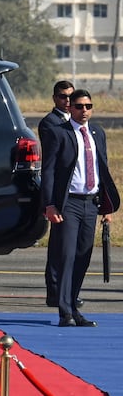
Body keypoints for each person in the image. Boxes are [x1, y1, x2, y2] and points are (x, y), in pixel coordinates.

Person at [40, 89, 119, 327]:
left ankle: (73, 306)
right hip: (69, 204)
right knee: (67, 256)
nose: (84, 110)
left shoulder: (97, 133)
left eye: (88, 106)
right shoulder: (59, 133)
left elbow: (102, 169)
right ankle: (65, 311)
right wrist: (50, 205)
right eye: (79, 106)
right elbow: (49, 171)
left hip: (91, 203)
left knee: (83, 256)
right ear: (70, 108)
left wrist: (107, 206)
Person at [38, 80, 78, 308]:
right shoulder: (50, 123)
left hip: (76, 191)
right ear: (54, 98)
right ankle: (54, 290)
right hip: (60, 192)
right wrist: (49, 200)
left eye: (71, 97)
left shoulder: (74, 122)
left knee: (68, 246)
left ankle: (64, 292)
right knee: (58, 245)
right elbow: (51, 165)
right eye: (63, 97)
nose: (67, 101)